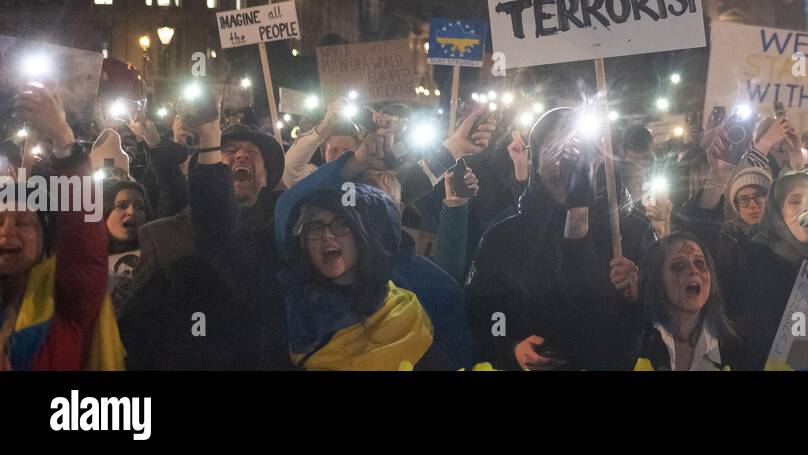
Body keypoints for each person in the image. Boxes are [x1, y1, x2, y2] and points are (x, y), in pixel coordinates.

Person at [465, 107, 655, 370]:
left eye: (578, 151)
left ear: (599, 158)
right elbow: (486, 311)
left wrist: (639, 296)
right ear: (536, 163)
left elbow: (662, 321)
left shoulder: (633, 230)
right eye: (556, 153)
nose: (569, 163)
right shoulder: (505, 236)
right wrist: (509, 346)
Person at [676, 116, 808, 365]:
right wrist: (718, 178)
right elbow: (698, 245)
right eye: (795, 201)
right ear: (777, 213)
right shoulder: (751, 260)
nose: (807, 209)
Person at [274, 127, 474, 368]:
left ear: (397, 212)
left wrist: (455, 204)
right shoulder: (304, 286)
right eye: (354, 208)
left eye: (379, 208)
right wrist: (354, 162)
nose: (366, 217)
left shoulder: (430, 284)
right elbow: (290, 209)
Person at [117, 116, 289, 369]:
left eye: (253, 152)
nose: (241, 156)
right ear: (208, 169)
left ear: (266, 178)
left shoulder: (283, 234)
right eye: (228, 152)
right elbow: (137, 331)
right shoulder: (162, 237)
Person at [1, 83, 123, 370]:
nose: (7, 231)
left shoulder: (67, 300)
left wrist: (63, 141)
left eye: (22, 222)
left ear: (45, 239)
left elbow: (84, 234)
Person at [629, 232, 755, 370]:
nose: (693, 270)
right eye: (679, 266)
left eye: (700, 263)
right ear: (657, 278)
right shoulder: (634, 341)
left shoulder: (737, 346)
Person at [103, 178, 149, 314]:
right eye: (121, 205)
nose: (131, 212)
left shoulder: (156, 262)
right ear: (105, 212)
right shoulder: (84, 261)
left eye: (139, 207)